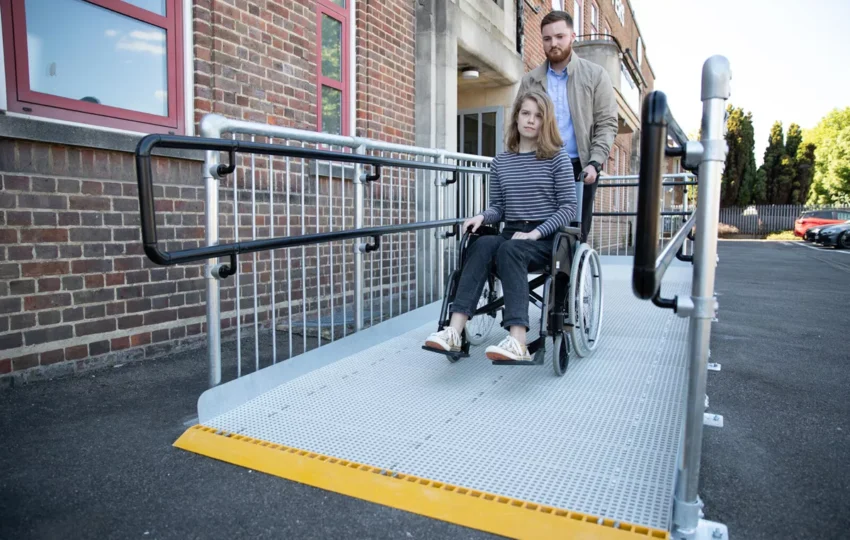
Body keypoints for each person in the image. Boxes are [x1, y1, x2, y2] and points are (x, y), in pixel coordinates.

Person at [425, 90, 578, 362]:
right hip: (511, 234)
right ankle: (454, 331)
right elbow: (499, 207)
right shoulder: (501, 162)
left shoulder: (557, 158)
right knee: (482, 242)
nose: (531, 120)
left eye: (538, 115)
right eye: (526, 113)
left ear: (546, 122)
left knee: (510, 250)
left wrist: (535, 233)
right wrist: (482, 217)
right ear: (516, 118)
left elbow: (568, 208)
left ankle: (518, 341)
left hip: (546, 239)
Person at [516, 10, 618, 243]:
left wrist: (595, 162)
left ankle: (567, 280)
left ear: (572, 36)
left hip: (579, 168)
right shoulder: (530, 81)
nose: (554, 43)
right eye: (547, 38)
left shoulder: (595, 75)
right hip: (540, 165)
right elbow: (518, 125)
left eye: (559, 37)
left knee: (572, 235)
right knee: (537, 231)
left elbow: (607, 123)